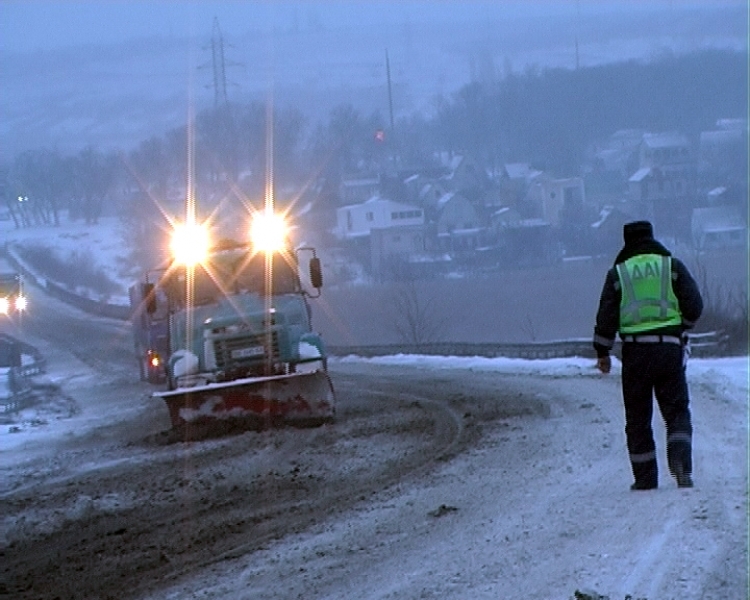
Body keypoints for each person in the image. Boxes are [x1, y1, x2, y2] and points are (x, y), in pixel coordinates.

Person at [593, 220, 703, 491]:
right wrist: (682, 327)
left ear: (626, 242)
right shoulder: (671, 266)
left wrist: (602, 351)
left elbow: (606, 315)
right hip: (668, 348)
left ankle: (644, 478)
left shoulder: (618, 274)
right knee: (676, 411)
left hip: (635, 353)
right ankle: (680, 463)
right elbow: (694, 305)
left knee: (638, 417)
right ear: (652, 238)